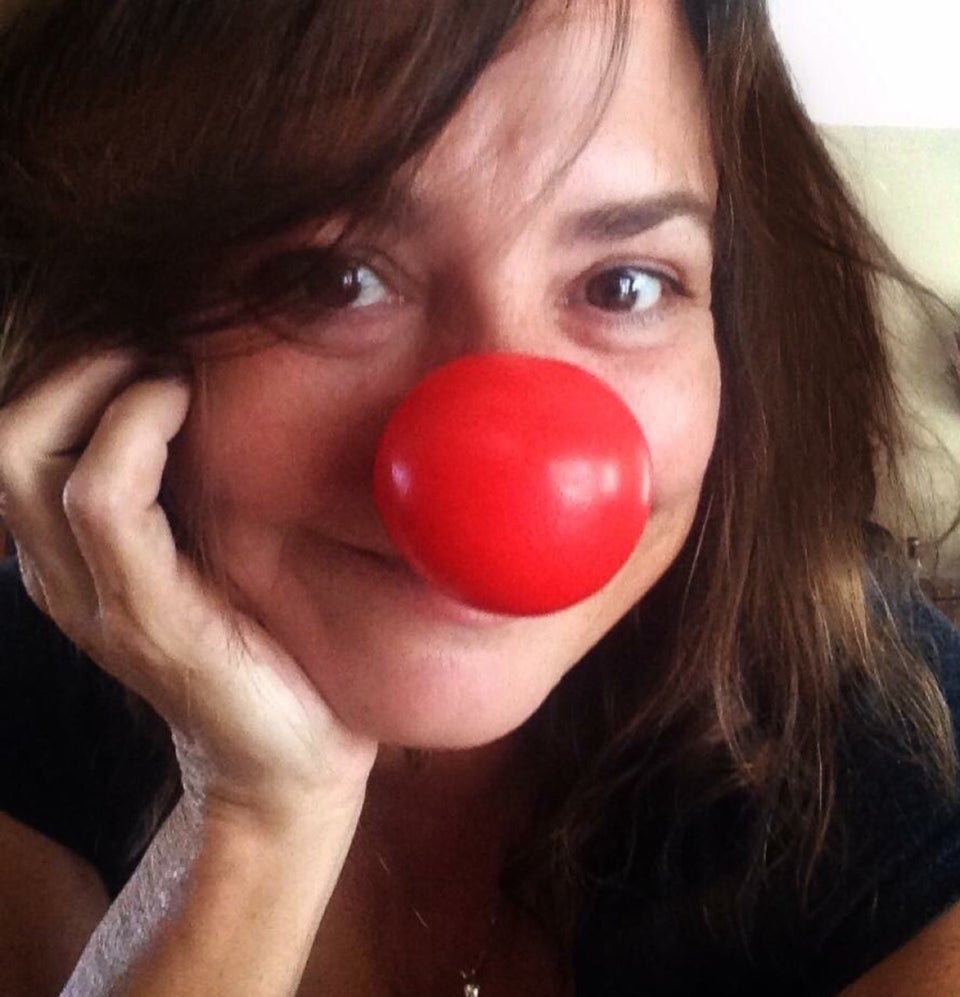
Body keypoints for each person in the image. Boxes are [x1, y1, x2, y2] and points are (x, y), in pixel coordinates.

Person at [0, 0, 958, 994]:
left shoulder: (894, 736)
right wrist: (253, 819)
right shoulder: (30, 701)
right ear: (109, 338)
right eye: (333, 278)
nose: (507, 477)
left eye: (624, 286)